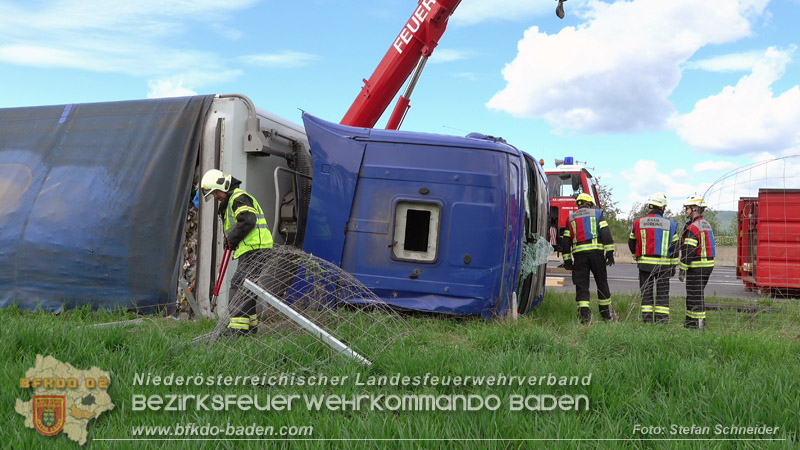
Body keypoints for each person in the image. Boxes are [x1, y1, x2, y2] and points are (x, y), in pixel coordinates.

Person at [201, 169, 273, 335]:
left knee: (239, 284)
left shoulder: (238, 198)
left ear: (223, 186)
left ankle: (238, 328)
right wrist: (230, 239)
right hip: (253, 248)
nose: (216, 197)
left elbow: (247, 220)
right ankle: (250, 325)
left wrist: (232, 239)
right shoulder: (233, 199)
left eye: (216, 192)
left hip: (256, 248)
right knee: (248, 286)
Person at [562, 193, 616, 324]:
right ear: (590, 204)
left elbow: (566, 240)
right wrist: (609, 252)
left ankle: (584, 317)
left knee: (582, 285)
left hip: (579, 256)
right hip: (597, 255)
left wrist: (567, 260)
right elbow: (605, 233)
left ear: (579, 205)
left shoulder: (571, 218)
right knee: (601, 283)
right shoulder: (597, 214)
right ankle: (605, 315)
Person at [628, 193, 679, 324]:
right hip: (663, 266)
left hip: (644, 265)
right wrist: (673, 266)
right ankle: (662, 321)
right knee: (662, 294)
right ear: (662, 207)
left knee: (646, 293)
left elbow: (631, 242)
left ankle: (647, 320)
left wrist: (636, 257)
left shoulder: (638, 223)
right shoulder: (671, 225)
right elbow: (675, 247)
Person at [679, 195, 716, 329]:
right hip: (707, 265)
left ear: (694, 209)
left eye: (687, 208)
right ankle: (690, 323)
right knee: (695, 295)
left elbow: (688, 251)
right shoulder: (706, 224)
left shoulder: (693, 228)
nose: (685, 211)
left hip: (696, 267)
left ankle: (698, 326)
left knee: (695, 296)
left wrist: (682, 269)